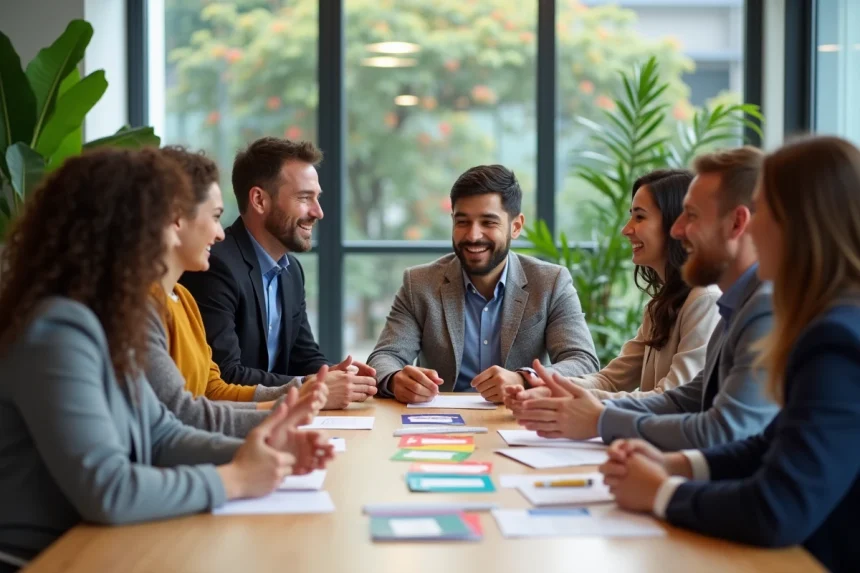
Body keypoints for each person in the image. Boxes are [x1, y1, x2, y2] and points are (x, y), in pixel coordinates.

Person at [0, 149, 334, 572]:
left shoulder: (109, 318)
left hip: (103, 544)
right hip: (47, 558)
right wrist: (236, 477)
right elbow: (110, 490)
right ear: (141, 227)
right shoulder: (56, 329)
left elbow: (160, 434)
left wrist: (262, 451)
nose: (214, 234)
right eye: (207, 217)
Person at [599, 136, 860, 572]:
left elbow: (778, 507)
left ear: (801, 225)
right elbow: (770, 443)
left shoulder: (835, 340)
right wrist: (675, 463)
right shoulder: (826, 320)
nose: (753, 228)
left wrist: (662, 492)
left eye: (765, 213)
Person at [511, 147, 779, 450]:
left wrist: (596, 417)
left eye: (690, 216)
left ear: (737, 223)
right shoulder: (713, 305)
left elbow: (713, 425)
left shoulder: (726, 303)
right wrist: (556, 391)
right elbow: (678, 397)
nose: (679, 230)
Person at [367, 164, 599, 404]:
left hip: (519, 421)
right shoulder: (419, 284)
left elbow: (583, 362)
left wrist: (524, 379)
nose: (473, 235)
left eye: (488, 222)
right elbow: (385, 356)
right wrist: (395, 379)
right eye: (462, 222)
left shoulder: (551, 283)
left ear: (516, 226)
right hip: (439, 423)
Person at [143, 146, 327, 438]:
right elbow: (181, 415)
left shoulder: (183, 299)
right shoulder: (142, 309)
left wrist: (308, 394)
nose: (219, 233)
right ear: (176, 219)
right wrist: (300, 396)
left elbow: (212, 389)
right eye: (215, 217)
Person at [180, 137, 377, 410]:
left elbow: (303, 356)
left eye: (317, 198)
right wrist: (314, 387)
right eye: (304, 198)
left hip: (277, 419)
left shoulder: (290, 270)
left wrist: (342, 376)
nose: (318, 212)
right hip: (234, 422)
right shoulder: (214, 266)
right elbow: (227, 376)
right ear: (259, 200)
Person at [506, 169, 719, 406]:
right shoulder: (661, 305)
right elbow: (609, 380)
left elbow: (672, 399)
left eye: (640, 217)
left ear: (674, 224)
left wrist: (576, 400)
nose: (626, 229)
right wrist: (546, 386)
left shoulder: (704, 300)